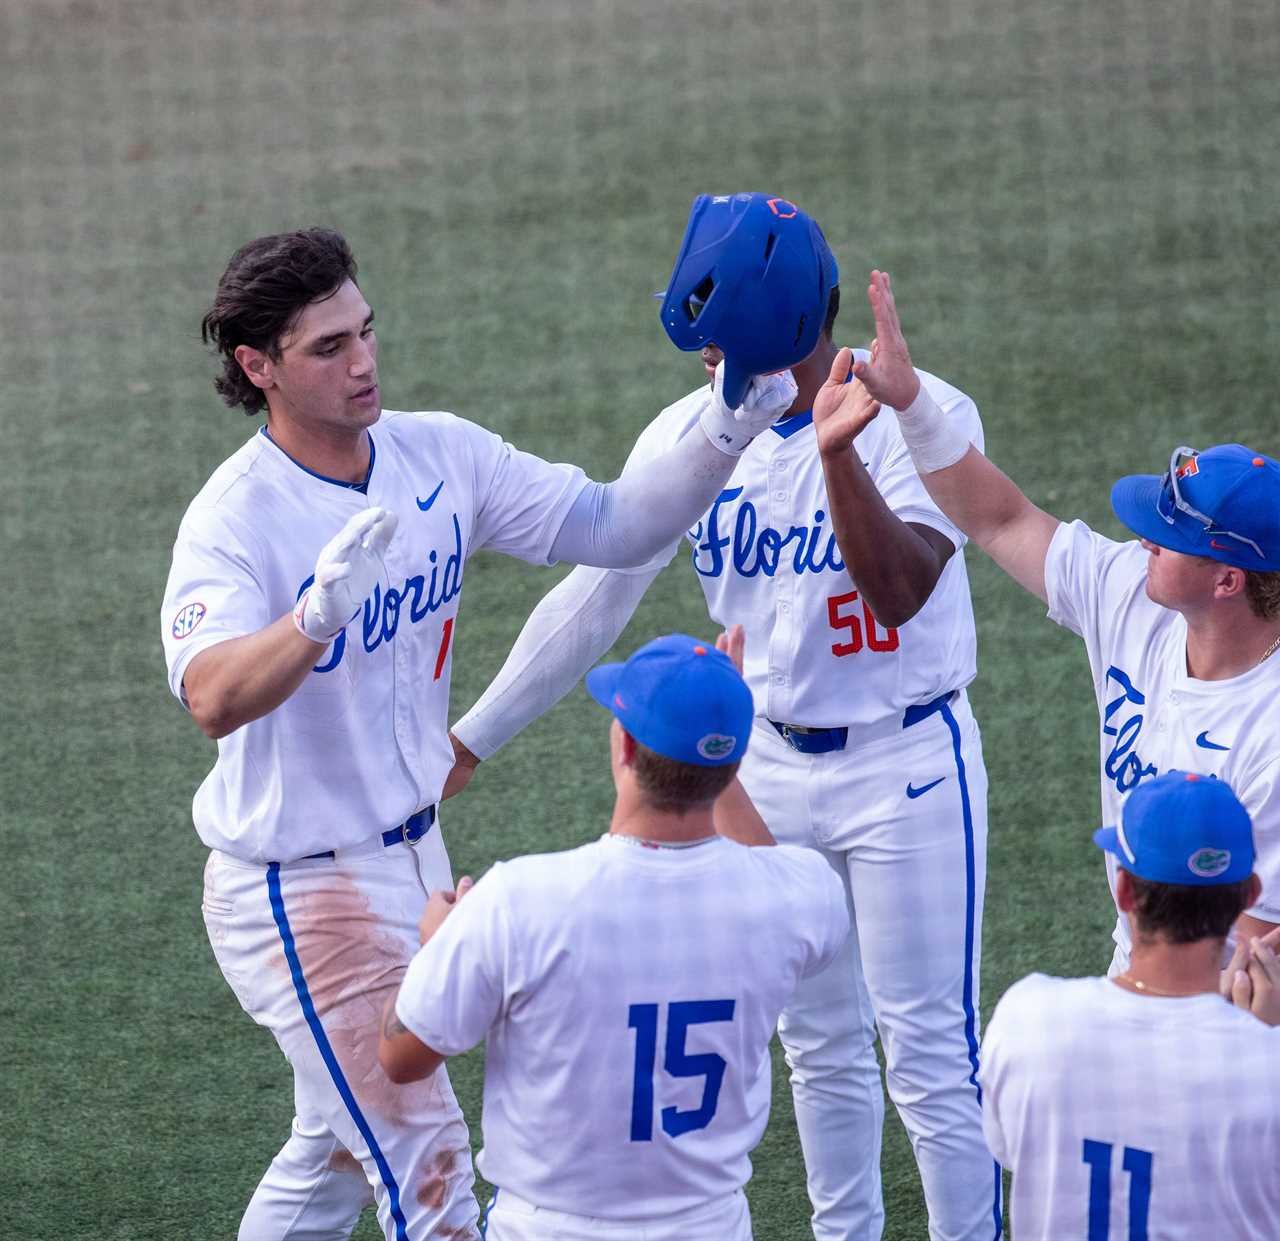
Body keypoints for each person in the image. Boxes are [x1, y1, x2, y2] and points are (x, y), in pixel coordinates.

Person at [159, 227, 799, 1241]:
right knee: (430, 1174)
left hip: (414, 849)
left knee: (332, 1151)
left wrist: (722, 433)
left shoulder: (439, 452)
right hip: (300, 883)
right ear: (257, 366)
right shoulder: (234, 519)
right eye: (327, 347)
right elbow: (210, 696)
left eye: (364, 331)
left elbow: (613, 525)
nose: (363, 360)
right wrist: (311, 619)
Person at [448, 195, 1001, 1240]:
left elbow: (901, 588)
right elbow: (595, 591)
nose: (703, 359)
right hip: (768, 773)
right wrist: (471, 735)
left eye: (714, 338)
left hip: (906, 769)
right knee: (818, 1046)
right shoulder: (696, 433)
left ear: (760, 332)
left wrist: (837, 453)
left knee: (927, 1055)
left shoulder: (913, 415)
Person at [844, 268, 1280, 972]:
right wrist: (911, 403)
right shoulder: (1130, 596)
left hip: (1231, 1010)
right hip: (1135, 965)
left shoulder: (1271, 729)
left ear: (1228, 579)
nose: (1144, 538)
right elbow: (1000, 517)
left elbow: (1259, 952)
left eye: (1170, 536)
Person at [379, 633, 852, 1241]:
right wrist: (715, 728)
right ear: (733, 765)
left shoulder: (518, 901)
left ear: (624, 745)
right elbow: (774, 878)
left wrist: (439, 946)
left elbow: (401, 1058)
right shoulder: (798, 895)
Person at [980, 770, 1280, 1239]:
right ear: (1249, 896)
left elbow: (1007, 1146)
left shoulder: (1028, 1019)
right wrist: (1259, 1038)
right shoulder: (1266, 1067)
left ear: (1124, 891)